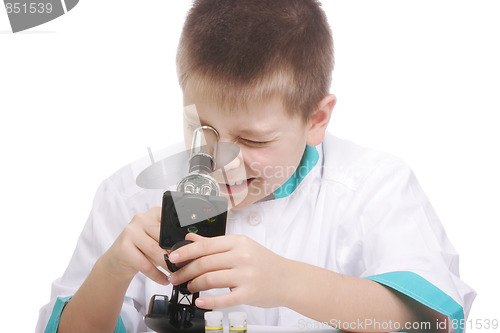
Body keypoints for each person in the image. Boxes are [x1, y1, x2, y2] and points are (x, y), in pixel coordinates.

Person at [37, 0, 475, 332]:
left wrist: (286, 281)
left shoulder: (374, 187)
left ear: (315, 120)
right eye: (202, 128)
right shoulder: (130, 196)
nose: (224, 163)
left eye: (254, 140)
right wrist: (112, 270)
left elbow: (432, 322)